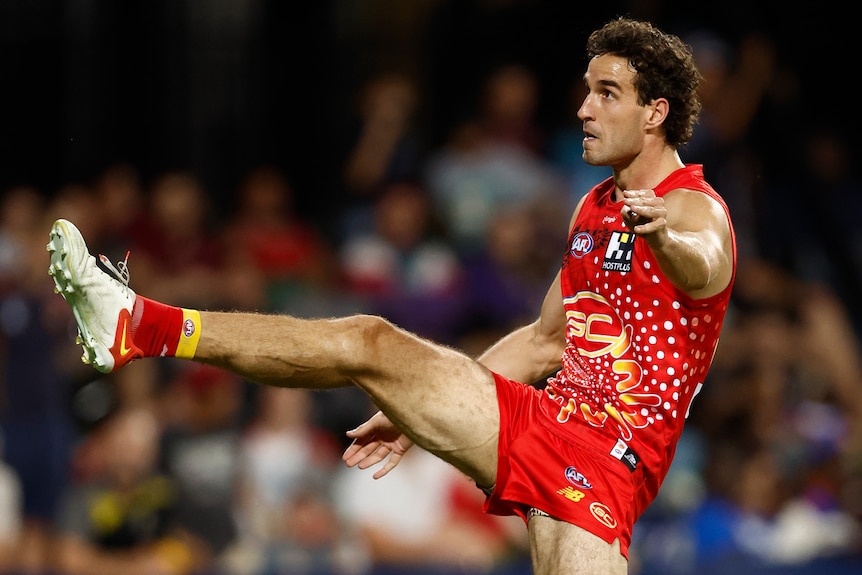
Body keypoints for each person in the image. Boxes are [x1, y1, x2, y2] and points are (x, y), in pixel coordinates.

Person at [46, 17, 736, 575]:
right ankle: (140, 323)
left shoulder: (693, 208)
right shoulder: (594, 207)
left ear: (656, 113)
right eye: (586, 89)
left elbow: (704, 264)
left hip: (609, 465)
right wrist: (413, 415)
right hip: (541, 421)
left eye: (606, 93)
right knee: (371, 342)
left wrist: (664, 235)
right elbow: (543, 340)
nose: (583, 107)